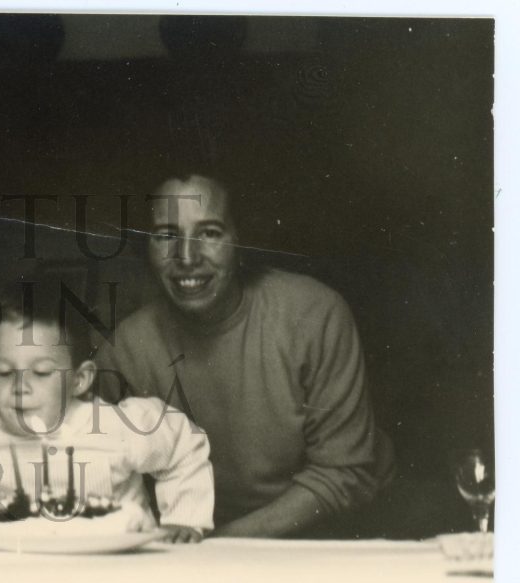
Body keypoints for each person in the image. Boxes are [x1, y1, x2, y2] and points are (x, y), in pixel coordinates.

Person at [95, 171, 397, 538]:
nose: (187, 257)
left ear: (240, 240)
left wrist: (219, 545)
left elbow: (344, 473)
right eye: (166, 236)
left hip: (334, 530)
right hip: (196, 538)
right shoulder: (125, 348)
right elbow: (97, 468)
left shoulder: (313, 313)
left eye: (209, 233)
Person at [0, 298, 214, 542]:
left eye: (41, 373)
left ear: (79, 380)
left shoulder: (117, 427)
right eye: (4, 373)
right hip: (18, 570)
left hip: (118, 567)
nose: (20, 387)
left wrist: (183, 518)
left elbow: (182, 445)